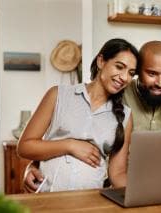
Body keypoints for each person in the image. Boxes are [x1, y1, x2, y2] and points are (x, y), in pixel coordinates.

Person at [17, 38, 139, 192]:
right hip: (47, 197)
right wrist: (70, 145)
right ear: (101, 61)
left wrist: (141, 195)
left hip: (90, 202)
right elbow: (24, 147)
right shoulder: (58, 95)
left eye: (131, 73)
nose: (124, 77)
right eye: (119, 67)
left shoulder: (126, 116)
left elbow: (118, 173)